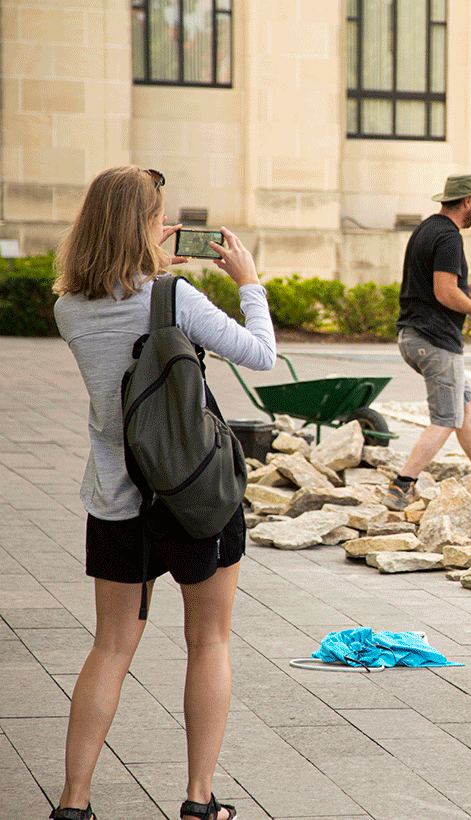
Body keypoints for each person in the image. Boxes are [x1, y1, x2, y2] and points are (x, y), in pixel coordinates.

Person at [51, 166, 277, 820]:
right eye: (158, 216)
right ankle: (199, 799)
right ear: (147, 226)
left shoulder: (70, 307)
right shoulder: (173, 296)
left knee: (111, 646)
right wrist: (248, 280)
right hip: (193, 492)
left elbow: (120, 306)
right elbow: (259, 354)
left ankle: (74, 800)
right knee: (209, 641)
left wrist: (148, 267)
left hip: (116, 499)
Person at [383, 174, 471, 511]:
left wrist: (465, 290)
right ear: (467, 201)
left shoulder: (426, 228)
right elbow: (444, 292)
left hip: (414, 334)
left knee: (464, 406)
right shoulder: (449, 237)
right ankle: (402, 484)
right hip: (435, 340)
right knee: (446, 417)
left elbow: (437, 287)